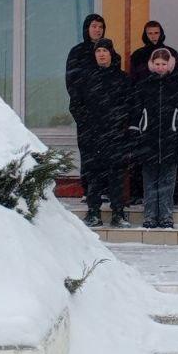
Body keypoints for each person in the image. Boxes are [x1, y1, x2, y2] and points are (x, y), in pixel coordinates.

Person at [71, 39, 134, 228]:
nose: (101, 54)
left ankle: (118, 214)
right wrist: (87, 124)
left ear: (111, 53)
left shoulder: (122, 78)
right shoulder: (85, 78)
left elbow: (131, 105)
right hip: (92, 135)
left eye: (104, 51)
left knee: (116, 175)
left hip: (115, 135)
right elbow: (75, 105)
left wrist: (120, 123)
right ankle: (93, 213)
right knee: (93, 175)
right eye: (98, 51)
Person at [129, 48, 178, 229]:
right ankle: (150, 215)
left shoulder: (177, 85)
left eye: (164, 64)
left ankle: (166, 216)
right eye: (157, 64)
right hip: (148, 140)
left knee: (167, 181)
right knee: (149, 181)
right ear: (151, 64)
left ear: (169, 65)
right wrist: (135, 132)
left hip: (171, 140)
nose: (160, 67)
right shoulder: (144, 85)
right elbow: (136, 111)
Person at [65, 13, 109, 203]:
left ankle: (105, 189)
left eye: (100, 26)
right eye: (94, 26)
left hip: (106, 114)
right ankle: (88, 190)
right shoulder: (77, 52)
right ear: (87, 28)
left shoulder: (107, 50)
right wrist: (79, 110)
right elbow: (71, 82)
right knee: (88, 152)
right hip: (85, 112)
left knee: (106, 152)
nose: (97, 30)